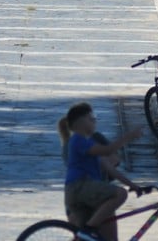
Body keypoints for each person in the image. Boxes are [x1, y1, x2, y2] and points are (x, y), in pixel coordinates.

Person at [59, 103, 143, 241]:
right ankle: (90, 229)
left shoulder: (83, 144)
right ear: (81, 122)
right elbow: (109, 152)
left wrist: (133, 186)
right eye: (91, 118)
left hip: (80, 197)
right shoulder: (79, 141)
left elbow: (111, 168)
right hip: (81, 188)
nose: (95, 121)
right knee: (120, 193)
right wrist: (129, 136)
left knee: (82, 237)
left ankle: (87, 231)